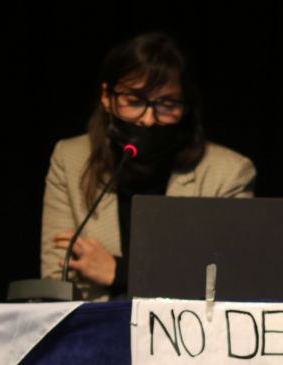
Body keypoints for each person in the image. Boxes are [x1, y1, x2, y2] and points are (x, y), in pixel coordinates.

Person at [40, 33, 256, 300]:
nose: (149, 119)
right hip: (95, 322)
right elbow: (56, 280)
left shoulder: (228, 173)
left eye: (167, 104)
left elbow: (230, 282)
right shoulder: (70, 158)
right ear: (107, 97)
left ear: (186, 106)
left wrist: (121, 273)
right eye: (134, 102)